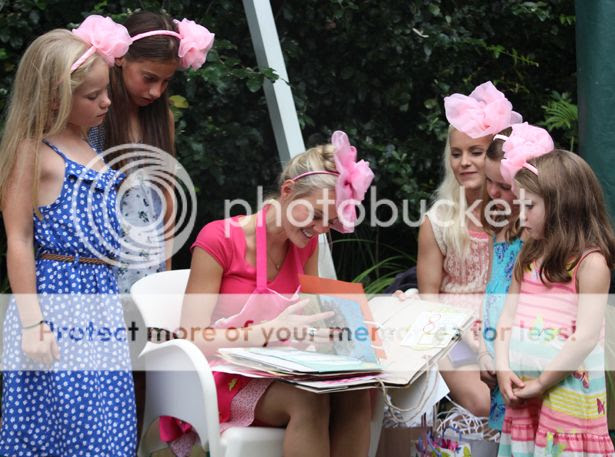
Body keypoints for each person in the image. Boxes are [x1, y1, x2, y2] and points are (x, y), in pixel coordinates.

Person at [165, 131, 375, 457]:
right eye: (315, 215)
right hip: (221, 375)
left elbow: (309, 318)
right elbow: (192, 338)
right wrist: (269, 331)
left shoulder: (306, 245)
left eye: (331, 221)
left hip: (278, 370)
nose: (321, 229)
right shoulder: (219, 239)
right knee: (309, 400)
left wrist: (341, 331)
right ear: (287, 191)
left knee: (358, 393)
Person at [0, 16, 137, 455]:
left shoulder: (91, 144)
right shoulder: (33, 151)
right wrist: (31, 323)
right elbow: (19, 239)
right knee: (71, 428)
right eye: (92, 95)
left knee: (108, 427)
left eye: (106, 91)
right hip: (58, 305)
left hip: (99, 304)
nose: (106, 102)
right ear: (55, 96)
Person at [495, 149, 615, 456]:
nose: (521, 216)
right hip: (526, 397)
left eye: (530, 206)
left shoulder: (591, 265)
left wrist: (542, 383)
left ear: (562, 205)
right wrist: (502, 366)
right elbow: (507, 316)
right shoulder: (529, 256)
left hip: (566, 401)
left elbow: (585, 337)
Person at [413, 81, 522, 416]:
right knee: (484, 402)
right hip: (454, 334)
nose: (464, 162)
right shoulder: (439, 221)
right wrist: (457, 343)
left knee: (521, 393)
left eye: (476, 152)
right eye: (456, 153)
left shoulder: (520, 217)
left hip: (507, 328)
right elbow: (429, 299)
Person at [89, 10, 214, 293]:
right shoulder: (95, 116)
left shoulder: (162, 118)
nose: (156, 92)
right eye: (149, 78)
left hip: (148, 258)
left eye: (166, 82)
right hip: (101, 258)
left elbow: (165, 194)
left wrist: (165, 266)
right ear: (121, 58)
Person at [476, 123, 554, 431]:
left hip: (531, 372)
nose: (493, 192)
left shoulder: (541, 243)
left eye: (504, 186)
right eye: (488, 180)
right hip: (499, 368)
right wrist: (484, 353)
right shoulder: (501, 232)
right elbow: (491, 299)